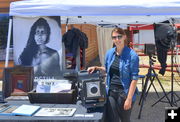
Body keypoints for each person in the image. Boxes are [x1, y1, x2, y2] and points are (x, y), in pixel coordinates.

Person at [87, 27, 139, 122]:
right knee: (112, 119)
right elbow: (108, 70)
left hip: (124, 93)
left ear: (124, 37)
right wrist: (97, 68)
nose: (117, 40)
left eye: (119, 37)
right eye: (114, 37)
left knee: (125, 119)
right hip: (111, 92)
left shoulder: (132, 55)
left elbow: (134, 79)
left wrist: (129, 98)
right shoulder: (109, 53)